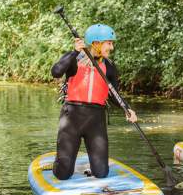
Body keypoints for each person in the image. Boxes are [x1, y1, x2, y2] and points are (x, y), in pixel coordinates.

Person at [51, 23, 137, 180]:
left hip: (96, 120)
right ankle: (60, 163)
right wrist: (74, 52)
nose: (111, 47)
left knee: (101, 173)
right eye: (108, 43)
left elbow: (113, 94)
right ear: (96, 43)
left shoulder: (109, 67)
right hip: (71, 118)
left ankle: (91, 165)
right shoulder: (74, 58)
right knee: (63, 174)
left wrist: (127, 108)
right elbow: (56, 72)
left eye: (111, 43)